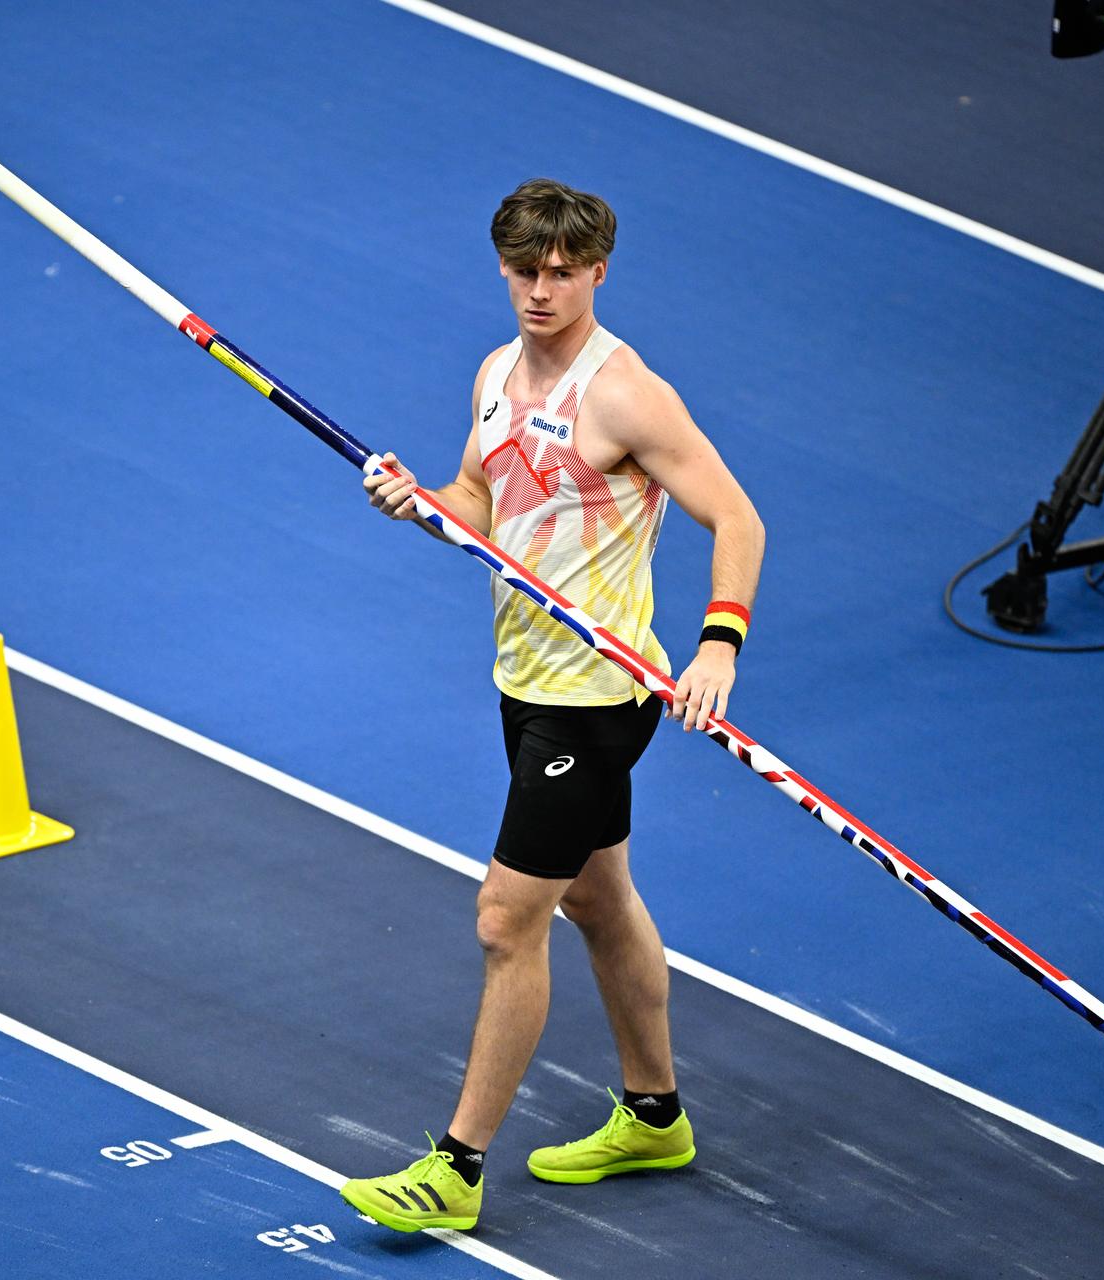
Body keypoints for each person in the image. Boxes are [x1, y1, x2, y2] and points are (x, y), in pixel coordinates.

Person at [338, 178, 765, 1233]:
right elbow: (480, 503)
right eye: (525, 270)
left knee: (506, 919)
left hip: (597, 699)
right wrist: (420, 503)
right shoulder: (495, 373)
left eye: (563, 272)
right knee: (598, 901)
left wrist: (719, 644)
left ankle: (455, 1170)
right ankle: (655, 1116)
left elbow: (737, 519)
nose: (542, 290)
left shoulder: (626, 396)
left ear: (597, 273)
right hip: (526, 684)